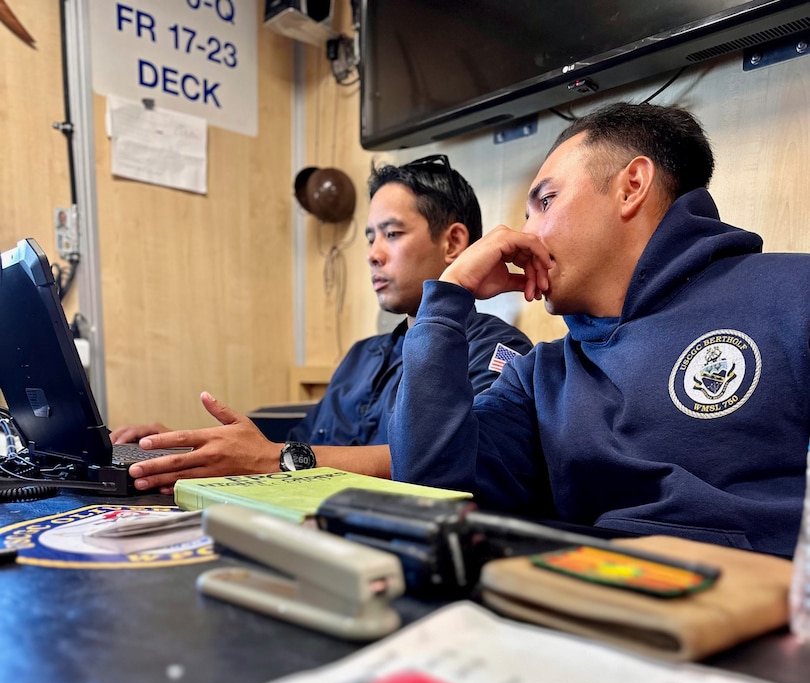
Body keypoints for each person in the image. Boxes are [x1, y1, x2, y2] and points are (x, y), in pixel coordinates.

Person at [389, 102, 810, 558]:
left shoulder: (794, 294)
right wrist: (447, 301)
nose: (525, 235)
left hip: (761, 609)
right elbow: (429, 490)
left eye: (545, 202)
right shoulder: (539, 376)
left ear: (632, 187)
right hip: (582, 604)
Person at [111, 157, 531, 493]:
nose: (373, 254)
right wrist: (188, 450)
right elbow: (286, 447)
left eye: (392, 234)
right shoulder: (361, 355)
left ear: (454, 243)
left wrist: (272, 459)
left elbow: (451, 461)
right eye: (370, 238)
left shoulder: (497, 349)